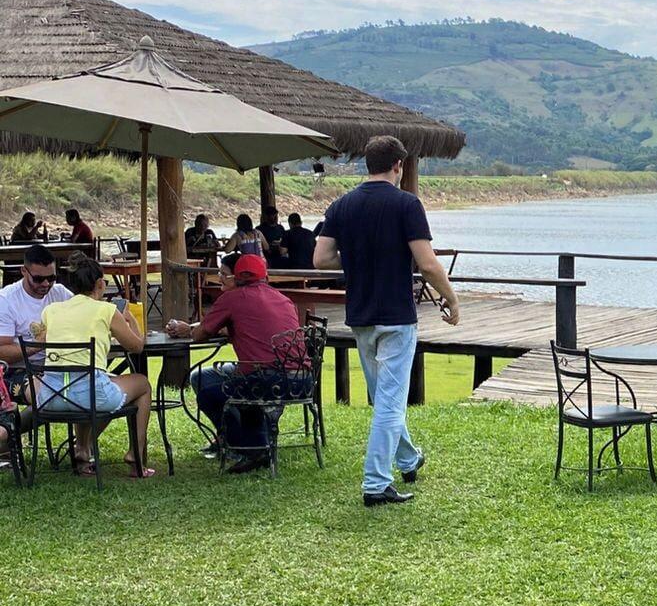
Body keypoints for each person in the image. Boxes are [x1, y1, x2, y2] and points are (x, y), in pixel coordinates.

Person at [315, 136, 459, 507]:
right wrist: (451, 297)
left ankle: (409, 458)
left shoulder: (342, 205)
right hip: (396, 317)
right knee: (391, 402)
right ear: (398, 165)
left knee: (384, 397)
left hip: (360, 315)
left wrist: (359, 260)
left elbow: (322, 259)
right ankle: (376, 482)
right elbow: (427, 264)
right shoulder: (407, 205)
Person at [166, 252, 302, 473]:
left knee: (210, 392)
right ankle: (243, 440)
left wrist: (189, 329)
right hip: (301, 379)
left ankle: (249, 446)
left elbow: (200, 334)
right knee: (203, 377)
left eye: (223, 274)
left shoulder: (232, 298)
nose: (220, 278)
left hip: (266, 378)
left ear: (236, 278)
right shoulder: (282, 298)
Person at [36, 255, 154, 477]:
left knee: (86, 379)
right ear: (100, 284)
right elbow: (137, 346)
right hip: (90, 395)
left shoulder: (50, 311)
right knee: (142, 383)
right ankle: (135, 455)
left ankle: (82, 450)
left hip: (51, 396)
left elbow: (41, 339)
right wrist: (129, 319)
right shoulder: (106, 310)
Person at [0, 244, 74, 367]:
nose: (46, 284)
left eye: (51, 278)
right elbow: (2, 352)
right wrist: (37, 345)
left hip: (60, 364)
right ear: (24, 271)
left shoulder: (61, 293)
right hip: (23, 369)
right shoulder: (6, 300)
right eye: (38, 279)